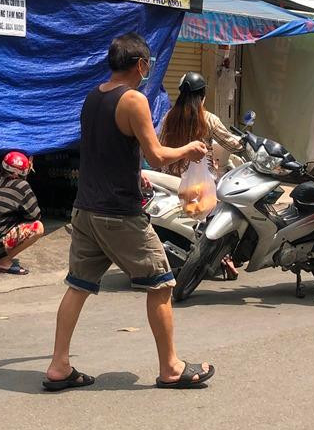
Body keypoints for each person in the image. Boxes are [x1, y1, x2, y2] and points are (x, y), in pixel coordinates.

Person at [43, 33, 216, 392]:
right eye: (148, 65)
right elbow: (156, 155)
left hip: (86, 210)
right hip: (119, 213)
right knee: (162, 284)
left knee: (78, 286)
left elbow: (105, 149)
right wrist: (191, 148)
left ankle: (59, 365)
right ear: (140, 65)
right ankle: (171, 367)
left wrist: (134, 173)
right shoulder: (133, 99)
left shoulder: (94, 96)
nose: (148, 70)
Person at [157, 72, 244, 278]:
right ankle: (225, 257)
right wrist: (247, 143)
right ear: (203, 95)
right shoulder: (208, 119)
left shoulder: (169, 117)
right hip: (201, 182)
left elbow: (160, 145)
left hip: (171, 177)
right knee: (223, 208)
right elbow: (231, 143)